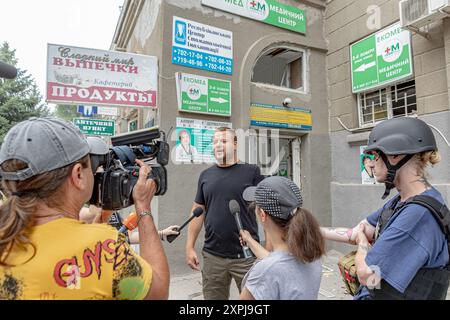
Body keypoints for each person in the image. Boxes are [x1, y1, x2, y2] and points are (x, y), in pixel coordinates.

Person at [0, 117, 169, 300]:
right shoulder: (104, 248)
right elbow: (158, 293)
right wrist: (143, 206)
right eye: (93, 166)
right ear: (78, 175)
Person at [321, 117, 450, 300]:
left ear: (395, 155)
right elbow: (361, 229)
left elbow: (366, 274)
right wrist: (313, 230)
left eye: (375, 155)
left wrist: (363, 247)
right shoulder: (404, 200)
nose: (371, 164)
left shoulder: (418, 215)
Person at [186, 127, 265, 300]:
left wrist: (269, 250)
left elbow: (265, 210)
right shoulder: (205, 176)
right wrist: (190, 246)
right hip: (213, 255)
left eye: (224, 141)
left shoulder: (252, 172)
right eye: (215, 142)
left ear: (235, 144)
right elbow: (197, 212)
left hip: (247, 256)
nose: (218, 145)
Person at [239, 176, 325, 300]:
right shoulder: (312, 256)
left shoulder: (265, 271)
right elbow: (279, 262)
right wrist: (250, 241)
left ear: (262, 215)